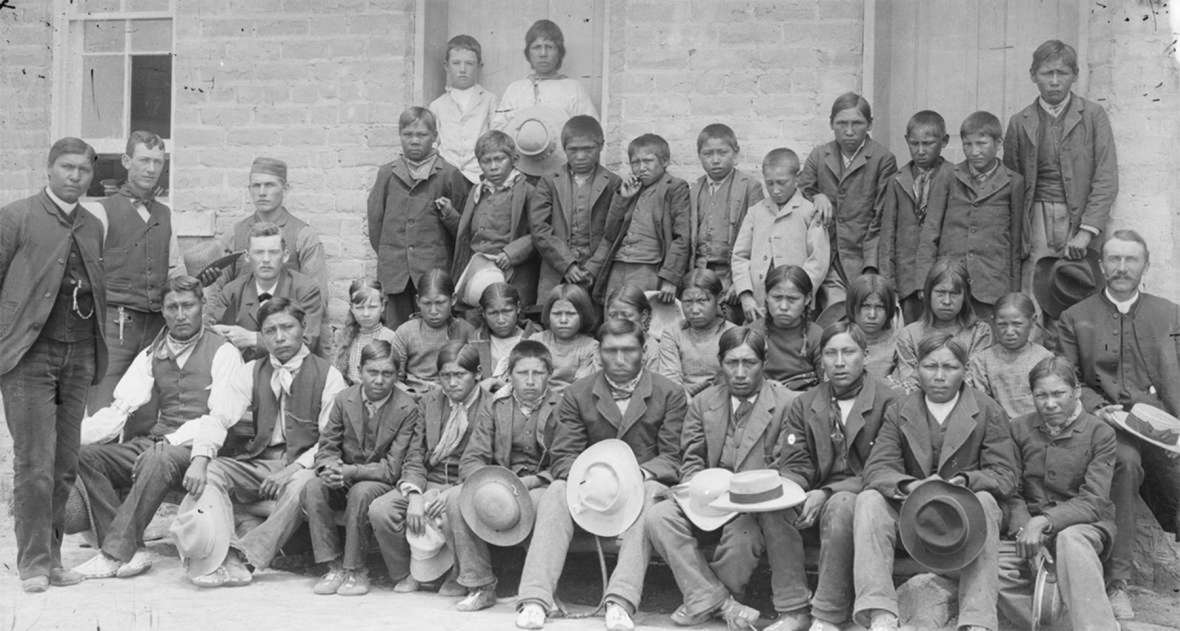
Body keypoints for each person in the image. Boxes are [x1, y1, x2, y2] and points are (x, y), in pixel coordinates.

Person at [516, 318, 686, 631]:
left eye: (628, 350)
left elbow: (673, 457)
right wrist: (592, 479)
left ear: (644, 351)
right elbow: (564, 456)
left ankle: (620, 601)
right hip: (590, 485)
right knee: (555, 491)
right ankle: (535, 598)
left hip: (643, 482)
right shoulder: (578, 394)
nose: (620, 359)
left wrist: (637, 477)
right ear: (598, 354)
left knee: (650, 496)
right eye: (611, 351)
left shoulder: (669, 393)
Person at [70, 275, 243, 580]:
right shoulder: (153, 351)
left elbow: (219, 418)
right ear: (162, 311)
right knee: (85, 456)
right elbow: (120, 408)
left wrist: (178, 446)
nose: (180, 314)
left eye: (188, 305)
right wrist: (73, 436)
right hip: (157, 443)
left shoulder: (223, 351)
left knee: (159, 456)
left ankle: (113, 554)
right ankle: (133, 549)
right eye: (172, 307)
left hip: (199, 451)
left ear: (202, 306)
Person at [853, 333, 1018, 631]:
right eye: (930, 367)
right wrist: (908, 486)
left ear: (965, 371)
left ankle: (977, 619)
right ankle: (880, 612)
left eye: (950, 367)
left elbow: (1006, 475)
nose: (939, 376)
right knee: (868, 500)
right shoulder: (900, 409)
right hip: (914, 516)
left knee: (986, 501)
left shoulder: (987, 409)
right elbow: (878, 468)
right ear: (917, 369)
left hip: (966, 522)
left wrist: (965, 481)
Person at [0, 137, 108, 592]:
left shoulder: (92, 224)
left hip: (80, 353)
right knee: (35, 463)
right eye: (66, 168)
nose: (75, 177)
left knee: (64, 463)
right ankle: (33, 565)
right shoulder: (17, 217)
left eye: (83, 170)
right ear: (48, 169)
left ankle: (54, 557)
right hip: (30, 356)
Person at [1055, 229, 1180, 619]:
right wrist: (1096, 407)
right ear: (1101, 265)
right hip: (1107, 428)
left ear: (1146, 265)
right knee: (1124, 464)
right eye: (1114, 259)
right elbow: (1067, 378)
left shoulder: (1170, 314)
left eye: (1131, 260)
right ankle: (1118, 582)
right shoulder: (1075, 318)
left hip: (1164, 426)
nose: (1122, 268)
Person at [646, 327, 799, 630]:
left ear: (764, 362)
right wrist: (699, 493)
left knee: (743, 536)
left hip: (756, 507)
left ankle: (706, 599)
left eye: (749, 363)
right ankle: (721, 603)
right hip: (709, 500)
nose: (740, 372)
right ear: (720, 362)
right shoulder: (704, 403)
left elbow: (786, 466)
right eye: (732, 363)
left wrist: (745, 498)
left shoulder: (787, 403)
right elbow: (691, 460)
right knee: (659, 516)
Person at [190, 298, 348, 587]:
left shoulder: (329, 376)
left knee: (303, 484)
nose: (280, 337)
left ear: (304, 327)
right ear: (262, 336)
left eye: (287, 327)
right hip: (261, 462)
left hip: (304, 465)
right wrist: (200, 458)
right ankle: (220, 552)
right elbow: (220, 415)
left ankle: (244, 557)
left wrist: (291, 470)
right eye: (270, 330)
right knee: (212, 471)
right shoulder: (251, 370)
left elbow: (330, 441)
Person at [778, 322, 898, 631]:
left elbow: (880, 469)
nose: (840, 362)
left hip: (866, 498)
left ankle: (828, 614)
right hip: (814, 495)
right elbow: (797, 463)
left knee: (843, 503)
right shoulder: (804, 404)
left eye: (849, 352)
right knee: (776, 505)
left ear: (865, 355)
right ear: (821, 360)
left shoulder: (889, 402)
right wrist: (794, 491)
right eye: (831, 353)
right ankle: (792, 609)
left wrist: (825, 493)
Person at [997, 355, 1118, 630]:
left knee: (1070, 541)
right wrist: (1024, 530)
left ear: (1076, 392)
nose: (1050, 404)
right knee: (995, 568)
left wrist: (1044, 522)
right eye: (1041, 395)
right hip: (1029, 525)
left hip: (1085, 525)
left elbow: (1093, 501)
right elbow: (1012, 491)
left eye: (1059, 394)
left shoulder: (1100, 433)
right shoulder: (1018, 429)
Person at [445, 340, 563, 611]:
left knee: (545, 503)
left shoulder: (562, 406)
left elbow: (566, 459)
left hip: (541, 483)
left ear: (550, 375)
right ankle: (480, 584)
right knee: (454, 498)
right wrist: (489, 483)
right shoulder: (496, 405)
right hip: (499, 481)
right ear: (510, 375)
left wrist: (533, 481)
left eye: (538, 373)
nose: (530, 381)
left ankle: (540, 589)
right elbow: (474, 456)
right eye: (523, 373)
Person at [301, 340, 422, 596]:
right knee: (313, 487)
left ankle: (356, 568)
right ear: (359, 370)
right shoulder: (344, 399)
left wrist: (351, 472)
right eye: (372, 372)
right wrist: (330, 469)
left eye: (387, 374)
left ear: (397, 375)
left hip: (379, 480)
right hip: (344, 473)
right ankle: (332, 565)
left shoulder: (407, 408)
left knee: (361, 492)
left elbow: (392, 467)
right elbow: (327, 445)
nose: (379, 380)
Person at [87, 131, 187, 438]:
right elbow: (86, 271)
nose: (151, 168)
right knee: (104, 408)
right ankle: (94, 479)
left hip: (155, 327)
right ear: (127, 161)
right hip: (114, 326)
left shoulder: (165, 214)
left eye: (158, 161)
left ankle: (129, 480)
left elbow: (175, 269)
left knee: (146, 407)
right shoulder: (101, 210)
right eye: (144, 160)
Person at [369, 341, 486, 595]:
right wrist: (413, 495)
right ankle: (407, 572)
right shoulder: (429, 403)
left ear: (477, 374)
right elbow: (415, 454)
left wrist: (455, 492)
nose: (452, 383)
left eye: (460, 375)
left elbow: (491, 459)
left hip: (465, 484)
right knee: (382, 509)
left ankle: (459, 574)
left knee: (452, 508)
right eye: (445, 376)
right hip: (428, 480)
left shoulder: (490, 406)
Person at [1004, 39, 1117, 294]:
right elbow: (1011, 182)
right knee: (1034, 288)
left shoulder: (1092, 116)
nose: (1054, 81)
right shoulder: (1019, 122)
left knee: (1077, 288)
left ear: (1074, 75)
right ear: (1033, 75)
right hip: (1035, 220)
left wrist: (1086, 232)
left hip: (1078, 218)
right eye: (1047, 73)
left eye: (1062, 73)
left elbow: (1106, 178)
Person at [367, 106, 472, 327]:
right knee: (396, 331)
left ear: (434, 136)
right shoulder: (387, 174)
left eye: (422, 135)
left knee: (434, 331)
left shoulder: (449, 175)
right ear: (400, 135)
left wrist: (449, 215)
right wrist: (395, 255)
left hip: (433, 274)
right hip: (395, 273)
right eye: (408, 135)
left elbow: (464, 231)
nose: (414, 141)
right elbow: (376, 224)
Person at [798, 92, 898, 307]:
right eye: (842, 123)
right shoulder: (819, 155)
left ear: (870, 124)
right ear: (831, 124)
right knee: (833, 316)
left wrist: (870, 266)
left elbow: (881, 217)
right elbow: (802, 189)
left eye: (857, 123)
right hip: (827, 257)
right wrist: (817, 195)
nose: (849, 131)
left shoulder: (883, 159)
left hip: (861, 258)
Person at [927, 111, 1025, 320]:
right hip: (951, 282)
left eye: (982, 144)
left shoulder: (1013, 181)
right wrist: (927, 281)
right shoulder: (948, 176)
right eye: (967, 145)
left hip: (991, 283)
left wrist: (1013, 291)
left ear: (999, 143)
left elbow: (1015, 243)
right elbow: (931, 231)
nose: (974, 152)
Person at [588, 133, 690, 307]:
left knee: (641, 318)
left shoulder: (674, 188)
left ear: (664, 162)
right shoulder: (631, 188)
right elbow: (610, 233)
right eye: (635, 162)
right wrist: (623, 198)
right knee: (613, 315)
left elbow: (682, 238)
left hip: (649, 267)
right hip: (618, 265)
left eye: (648, 161)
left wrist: (670, 278)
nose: (641, 168)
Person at [529, 115, 621, 302]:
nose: (580, 156)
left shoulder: (613, 183)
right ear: (564, 148)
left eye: (588, 149)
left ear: (601, 146)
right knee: (554, 317)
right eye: (573, 150)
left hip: (595, 273)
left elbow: (613, 231)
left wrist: (593, 268)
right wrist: (567, 265)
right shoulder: (549, 181)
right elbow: (539, 229)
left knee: (591, 322)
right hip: (555, 271)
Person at [206, 157, 327, 300]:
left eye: (269, 185)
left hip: (287, 318)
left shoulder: (303, 235)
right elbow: (215, 291)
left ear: (285, 189)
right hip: (240, 319)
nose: (262, 192)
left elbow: (316, 295)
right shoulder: (235, 234)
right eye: (256, 185)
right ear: (249, 189)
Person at [732, 147, 829, 323]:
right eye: (770, 183)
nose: (775, 190)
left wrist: (799, 295)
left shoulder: (809, 212)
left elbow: (818, 261)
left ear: (797, 179)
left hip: (797, 307)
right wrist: (746, 295)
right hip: (758, 305)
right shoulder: (755, 212)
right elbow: (739, 257)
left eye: (781, 183)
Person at [205, 221, 323, 361]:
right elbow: (208, 333)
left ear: (285, 256)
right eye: (259, 252)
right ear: (248, 257)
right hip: (243, 375)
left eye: (273, 252)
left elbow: (307, 343)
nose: (266, 260)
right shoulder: (233, 291)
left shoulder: (305, 290)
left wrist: (253, 339)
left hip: (292, 374)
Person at [878, 111, 954, 324]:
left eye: (928, 143)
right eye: (914, 144)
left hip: (941, 278)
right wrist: (888, 284)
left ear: (944, 141)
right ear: (906, 141)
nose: (920, 151)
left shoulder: (954, 176)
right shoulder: (897, 180)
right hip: (906, 279)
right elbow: (887, 235)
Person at [452, 130, 539, 307]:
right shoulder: (477, 192)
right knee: (477, 317)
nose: (493, 167)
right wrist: (449, 214)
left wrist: (512, 253)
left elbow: (540, 232)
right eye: (486, 161)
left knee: (507, 317)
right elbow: (467, 231)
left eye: (499, 159)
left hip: (513, 273)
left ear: (513, 159)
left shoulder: (527, 191)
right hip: (478, 271)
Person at [688, 123, 765, 315]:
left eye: (722, 153)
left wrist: (740, 283)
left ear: (735, 153)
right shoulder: (695, 189)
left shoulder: (749, 187)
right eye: (708, 154)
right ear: (699, 156)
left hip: (730, 274)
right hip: (700, 273)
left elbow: (758, 240)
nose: (715, 160)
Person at [893, 258, 994, 393]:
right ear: (928, 294)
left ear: (965, 297)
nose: (947, 301)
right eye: (940, 293)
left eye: (954, 294)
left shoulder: (979, 332)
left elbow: (975, 382)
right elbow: (908, 385)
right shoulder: (909, 335)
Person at [491, 19, 598, 130]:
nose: (543, 54)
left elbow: (590, 131)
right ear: (528, 53)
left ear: (559, 52)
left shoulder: (574, 89)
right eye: (537, 47)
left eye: (549, 47)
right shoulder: (515, 89)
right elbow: (498, 130)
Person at [967, 292, 1052, 419]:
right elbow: (979, 404)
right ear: (993, 321)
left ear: (1033, 320)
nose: (1009, 332)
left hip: (1038, 429)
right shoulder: (982, 361)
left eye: (1017, 324)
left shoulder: (1044, 359)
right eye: (1002, 324)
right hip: (998, 430)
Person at [429, 34, 498, 185]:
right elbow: (433, 144)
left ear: (479, 66)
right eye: (456, 63)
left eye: (469, 63)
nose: (462, 69)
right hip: (446, 178)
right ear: (446, 66)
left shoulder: (489, 100)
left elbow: (495, 139)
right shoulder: (437, 105)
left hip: (480, 177)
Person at [389, 269, 475, 389]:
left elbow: (476, 375)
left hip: (452, 393)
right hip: (413, 396)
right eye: (427, 303)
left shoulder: (465, 331)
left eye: (440, 303)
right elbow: (394, 378)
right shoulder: (406, 332)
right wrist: (409, 393)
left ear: (453, 299)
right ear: (418, 301)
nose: (433, 311)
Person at [657, 269, 736, 396]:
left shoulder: (733, 334)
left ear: (719, 298)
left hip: (721, 400)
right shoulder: (673, 333)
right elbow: (670, 379)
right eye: (687, 302)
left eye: (702, 301)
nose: (694, 310)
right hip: (681, 401)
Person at [746, 266, 823, 392]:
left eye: (792, 299)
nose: (783, 306)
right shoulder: (753, 333)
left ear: (807, 299)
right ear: (766, 296)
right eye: (777, 298)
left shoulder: (816, 335)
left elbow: (827, 384)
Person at [471, 282, 540, 386]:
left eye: (507, 311)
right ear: (483, 313)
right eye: (493, 313)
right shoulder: (474, 340)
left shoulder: (535, 338)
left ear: (518, 308)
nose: (501, 320)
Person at [533, 283, 599, 390]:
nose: (563, 320)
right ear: (548, 314)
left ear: (583, 315)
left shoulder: (591, 347)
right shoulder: (536, 342)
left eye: (571, 314)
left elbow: (583, 388)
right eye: (557, 314)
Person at [333, 279, 397, 385]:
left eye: (372, 307)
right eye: (359, 308)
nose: (366, 314)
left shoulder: (391, 338)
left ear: (383, 306)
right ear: (352, 308)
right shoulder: (344, 336)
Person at [845, 274, 900, 382]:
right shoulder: (838, 339)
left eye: (880, 307)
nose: (872, 315)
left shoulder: (900, 343)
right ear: (852, 307)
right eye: (865, 306)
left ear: (889, 309)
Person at [604, 285, 660, 371]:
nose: (619, 321)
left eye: (626, 315)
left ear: (644, 316)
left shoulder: (654, 351)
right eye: (613, 315)